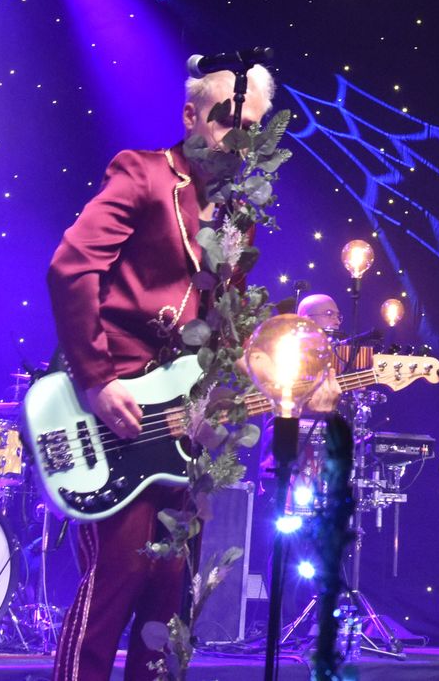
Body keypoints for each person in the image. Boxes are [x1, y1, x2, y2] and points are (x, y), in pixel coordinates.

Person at [47, 64, 333, 681]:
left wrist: (289, 382)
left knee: (167, 589)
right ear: (190, 116)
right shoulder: (143, 174)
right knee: (118, 572)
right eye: (226, 120)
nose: (238, 137)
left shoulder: (237, 215)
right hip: (113, 402)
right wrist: (97, 379)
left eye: (251, 126)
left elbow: (226, 324)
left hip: (183, 420)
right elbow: (72, 267)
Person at [297, 292, 372, 371]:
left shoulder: (340, 354)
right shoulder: (292, 352)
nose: (337, 322)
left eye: (338, 316)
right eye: (329, 314)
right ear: (306, 319)